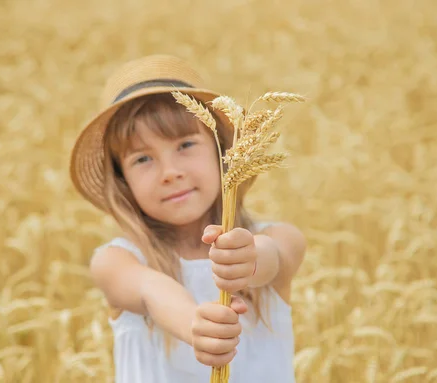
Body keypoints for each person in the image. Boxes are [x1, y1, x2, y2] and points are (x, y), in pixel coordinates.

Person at [69, 54, 306, 383]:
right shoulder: (115, 261)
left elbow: (273, 257)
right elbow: (152, 290)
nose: (170, 172)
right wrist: (193, 324)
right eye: (142, 159)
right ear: (123, 180)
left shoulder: (279, 238)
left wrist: (248, 258)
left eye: (185, 145)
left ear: (222, 150)